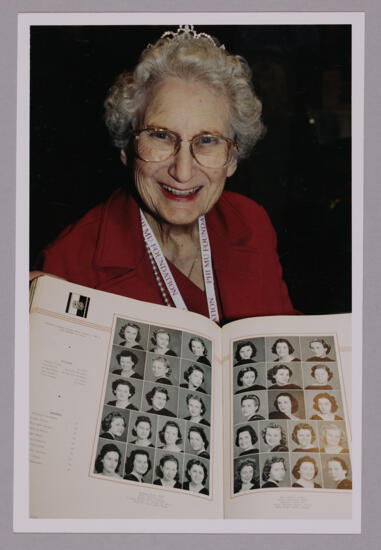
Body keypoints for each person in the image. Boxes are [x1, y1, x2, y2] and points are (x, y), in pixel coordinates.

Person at [35, 24, 296, 325]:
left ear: (232, 158)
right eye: (160, 136)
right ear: (126, 148)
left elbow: (284, 340)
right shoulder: (71, 263)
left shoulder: (251, 224)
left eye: (208, 140)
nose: (183, 172)